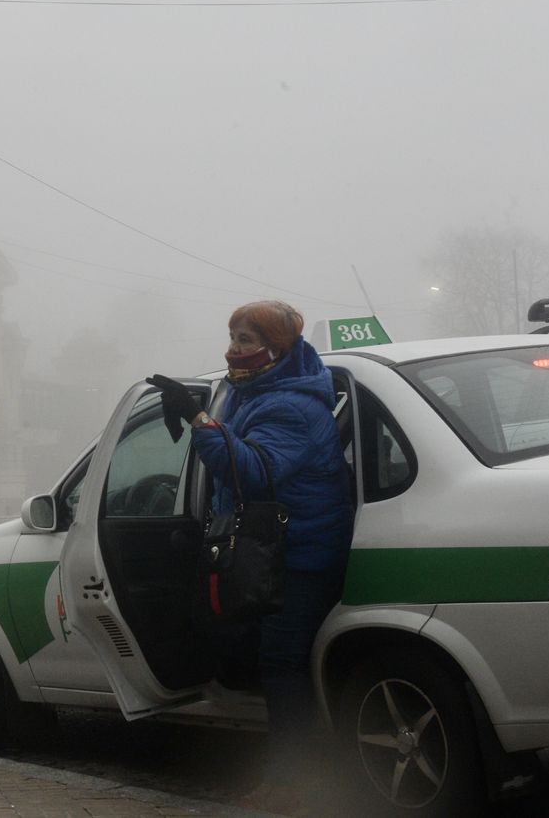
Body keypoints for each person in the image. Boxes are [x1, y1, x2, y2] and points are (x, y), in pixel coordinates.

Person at [147, 300, 352, 813]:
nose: (232, 348)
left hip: (301, 555)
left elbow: (252, 470)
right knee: (255, 653)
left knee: (282, 665)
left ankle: (291, 783)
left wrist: (198, 418)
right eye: (233, 336)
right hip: (278, 551)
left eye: (245, 339)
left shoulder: (290, 406)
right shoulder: (253, 393)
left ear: (276, 350)